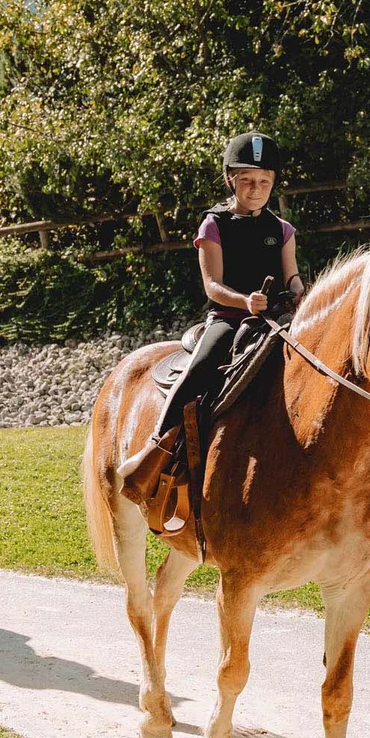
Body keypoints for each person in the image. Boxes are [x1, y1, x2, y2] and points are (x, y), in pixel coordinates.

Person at [118, 131, 304, 492]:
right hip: (229, 319)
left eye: (265, 181)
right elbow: (212, 286)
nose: (256, 188)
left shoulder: (282, 229)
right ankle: (157, 447)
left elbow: (291, 274)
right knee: (200, 369)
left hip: (277, 319)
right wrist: (244, 302)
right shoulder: (213, 225)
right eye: (247, 180)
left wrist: (298, 290)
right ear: (229, 179)